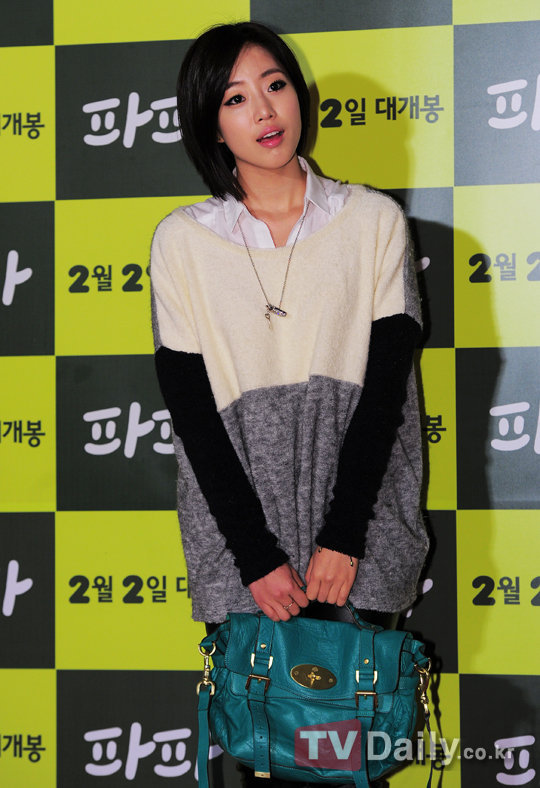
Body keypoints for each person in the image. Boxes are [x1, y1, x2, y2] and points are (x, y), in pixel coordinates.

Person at [150, 21, 429, 787]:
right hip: (244, 542)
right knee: (262, 750)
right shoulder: (182, 242)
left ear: (300, 96)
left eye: (275, 85)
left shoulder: (372, 222)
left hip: (358, 534)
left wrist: (344, 536)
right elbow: (192, 413)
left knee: (342, 756)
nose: (264, 110)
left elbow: (386, 393)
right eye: (236, 98)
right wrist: (254, 554)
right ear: (212, 123)